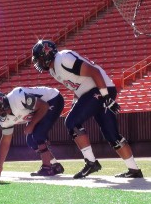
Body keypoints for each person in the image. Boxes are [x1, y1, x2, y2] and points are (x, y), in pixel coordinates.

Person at [31, 40, 143, 178]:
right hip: (93, 92)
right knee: (112, 134)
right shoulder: (54, 69)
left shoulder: (63, 58)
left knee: (71, 123)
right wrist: (74, 103)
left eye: (40, 58)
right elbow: (76, 86)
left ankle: (91, 162)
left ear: (47, 54)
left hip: (100, 89)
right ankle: (134, 170)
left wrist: (106, 96)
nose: (39, 63)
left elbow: (94, 72)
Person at [0, 86, 65, 177]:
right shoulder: (4, 119)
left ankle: (47, 168)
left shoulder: (17, 97)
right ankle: (55, 165)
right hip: (39, 109)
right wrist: (0, 166)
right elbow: (5, 141)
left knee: (38, 134)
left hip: (52, 99)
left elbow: (44, 106)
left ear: (3, 104)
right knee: (31, 141)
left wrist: (31, 125)